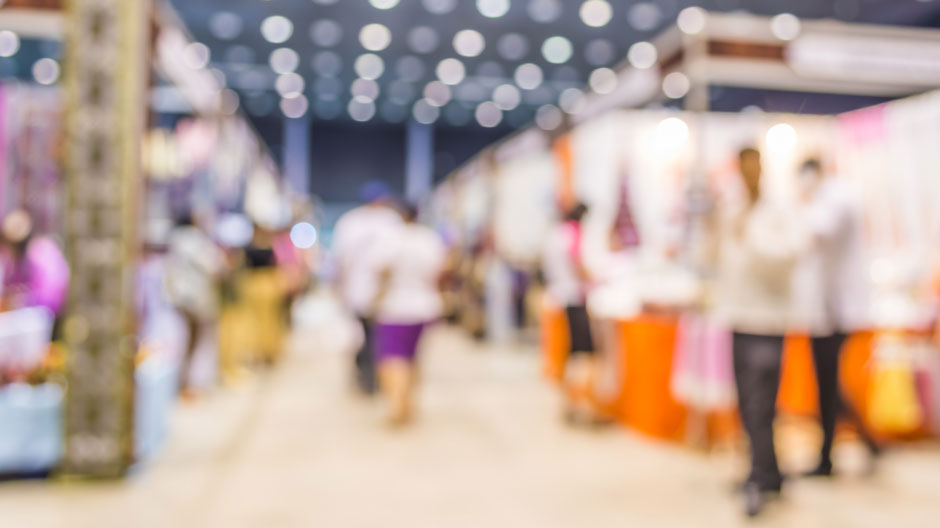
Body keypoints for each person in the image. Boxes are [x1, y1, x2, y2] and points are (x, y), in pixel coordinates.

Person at [714, 148, 806, 517]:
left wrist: (749, 234)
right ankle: (769, 473)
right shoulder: (733, 210)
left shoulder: (780, 211)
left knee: (759, 403)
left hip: (767, 321)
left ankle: (759, 477)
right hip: (739, 318)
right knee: (748, 404)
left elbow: (789, 255)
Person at [793, 158, 881, 476]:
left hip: (835, 308)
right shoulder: (831, 197)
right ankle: (866, 443)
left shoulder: (836, 198)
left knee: (828, 383)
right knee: (829, 383)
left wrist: (800, 205)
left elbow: (818, 231)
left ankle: (830, 455)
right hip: (829, 308)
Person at [370, 203, 446, 425]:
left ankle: (397, 404)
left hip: (395, 307)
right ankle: (410, 402)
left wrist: (376, 298)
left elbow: (381, 270)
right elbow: (440, 272)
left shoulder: (391, 239)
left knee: (392, 360)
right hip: (424, 306)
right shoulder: (429, 239)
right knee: (413, 358)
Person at [332, 182, 402, 395]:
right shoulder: (392, 221)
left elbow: (339, 262)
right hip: (381, 295)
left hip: (359, 292)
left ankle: (366, 378)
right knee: (374, 338)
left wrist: (339, 289)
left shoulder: (349, 222)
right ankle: (373, 379)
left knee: (362, 337)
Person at [542, 202, 597, 425]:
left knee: (567, 353)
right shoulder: (572, 232)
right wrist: (592, 279)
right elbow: (577, 263)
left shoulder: (554, 234)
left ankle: (568, 403)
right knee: (583, 353)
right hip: (573, 298)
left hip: (558, 297)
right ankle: (579, 403)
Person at [165, 212, 225, 400]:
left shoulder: (173, 242)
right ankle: (191, 384)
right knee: (198, 342)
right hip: (198, 300)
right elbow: (214, 266)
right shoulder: (198, 241)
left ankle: (180, 382)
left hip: (179, 299)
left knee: (184, 341)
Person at [0, 209, 69, 318]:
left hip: (46, 317)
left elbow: (50, 298)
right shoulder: (13, 260)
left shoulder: (42, 255)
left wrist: (23, 300)